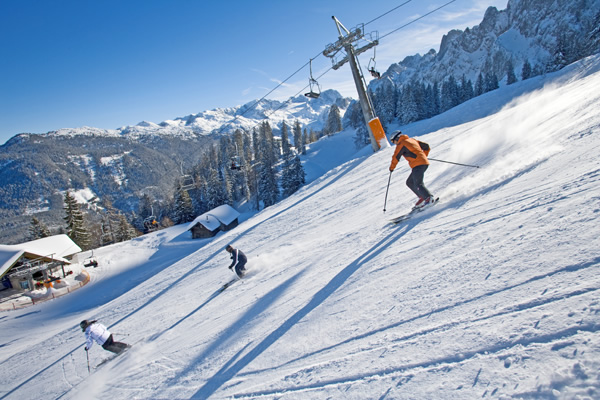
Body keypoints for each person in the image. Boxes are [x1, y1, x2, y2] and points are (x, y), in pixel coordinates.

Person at [388, 131, 435, 209]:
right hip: (422, 164)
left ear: (397, 138)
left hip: (418, 165)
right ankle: (422, 197)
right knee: (409, 182)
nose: (394, 143)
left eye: (393, 141)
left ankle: (429, 198)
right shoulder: (412, 140)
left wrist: (391, 168)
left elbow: (396, 157)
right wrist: (423, 156)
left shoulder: (401, 144)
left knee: (418, 183)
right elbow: (426, 146)